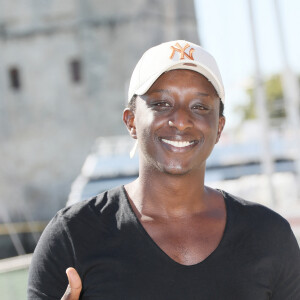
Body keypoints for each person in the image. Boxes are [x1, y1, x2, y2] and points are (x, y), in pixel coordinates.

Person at [28, 40, 300, 300]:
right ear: (131, 121)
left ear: (219, 127)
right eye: (161, 104)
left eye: (200, 106)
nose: (181, 120)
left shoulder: (269, 235)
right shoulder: (72, 236)